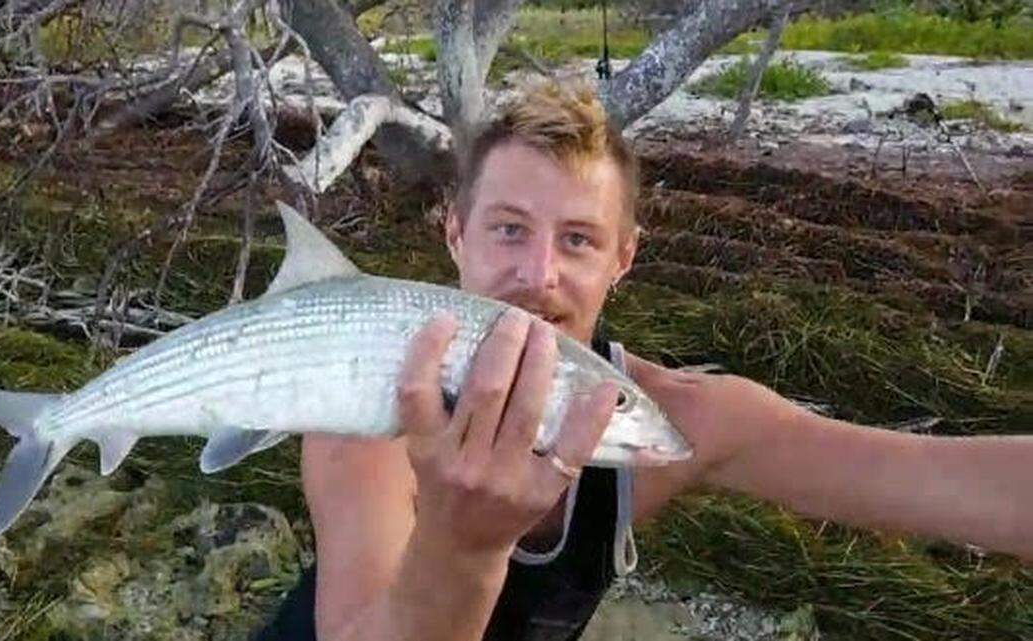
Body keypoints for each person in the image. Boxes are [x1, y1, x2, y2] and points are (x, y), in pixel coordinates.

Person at [256, 80, 1033, 641]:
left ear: (623, 259)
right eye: (508, 230)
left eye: (579, 239)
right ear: (455, 234)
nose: (539, 277)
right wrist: (462, 546)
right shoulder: (364, 411)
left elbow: (934, 479)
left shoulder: (670, 420)